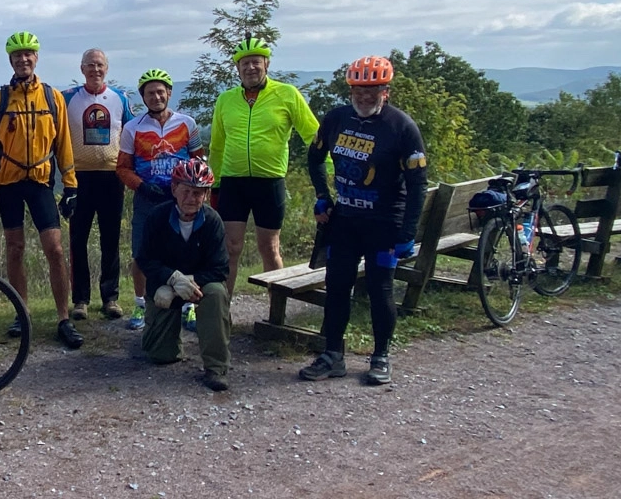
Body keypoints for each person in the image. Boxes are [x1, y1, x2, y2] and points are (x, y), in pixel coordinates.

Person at [298, 55, 427, 385]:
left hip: (384, 224)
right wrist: (323, 196)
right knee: (337, 286)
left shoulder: (402, 127)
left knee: (380, 289)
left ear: (386, 91)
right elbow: (314, 158)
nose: (365, 96)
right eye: (359, 90)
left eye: (373, 90)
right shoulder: (337, 119)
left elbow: (417, 185)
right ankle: (332, 355)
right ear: (350, 91)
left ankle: (381, 356)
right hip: (345, 220)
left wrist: (408, 232)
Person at [0, 31, 83, 349]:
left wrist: (70, 185)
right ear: (10, 60)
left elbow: (63, 143)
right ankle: (21, 313)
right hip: (8, 184)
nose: (23, 59)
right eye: (17, 55)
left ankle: (63, 318)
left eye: (28, 54)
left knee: (55, 250)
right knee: (15, 249)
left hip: (40, 182)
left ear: (36, 58)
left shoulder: (52, 97)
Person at [209, 36, 319, 296]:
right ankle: (221, 310)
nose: (250, 68)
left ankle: (276, 308)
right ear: (237, 68)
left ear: (266, 64)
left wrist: (329, 170)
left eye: (256, 62)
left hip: (270, 181)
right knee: (230, 247)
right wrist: (214, 183)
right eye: (244, 63)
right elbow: (217, 145)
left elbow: (313, 134)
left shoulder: (287, 94)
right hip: (233, 182)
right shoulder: (225, 99)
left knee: (269, 247)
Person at [117, 69, 204, 331]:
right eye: (150, 93)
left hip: (181, 198)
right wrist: (141, 186)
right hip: (147, 198)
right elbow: (122, 168)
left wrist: (192, 190)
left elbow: (199, 161)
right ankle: (141, 303)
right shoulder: (132, 127)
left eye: (160, 92)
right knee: (141, 253)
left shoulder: (187, 123)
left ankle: (188, 306)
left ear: (169, 93)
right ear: (143, 97)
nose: (156, 97)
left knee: (187, 251)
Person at [137, 158, 231, 391]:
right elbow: (145, 259)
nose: (191, 198)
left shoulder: (212, 221)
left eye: (198, 193)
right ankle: (168, 340)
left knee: (217, 293)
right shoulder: (157, 217)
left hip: (200, 286)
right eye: (186, 191)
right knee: (160, 355)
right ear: (174, 189)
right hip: (165, 286)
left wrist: (189, 282)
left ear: (206, 195)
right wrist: (171, 280)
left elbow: (220, 268)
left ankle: (216, 367)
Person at [62, 48, 132, 321]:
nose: (95, 69)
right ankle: (80, 300)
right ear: (82, 69)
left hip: (111, 177)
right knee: (78, 239)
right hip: (78, 178)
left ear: (107, 68)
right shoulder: (68, 98)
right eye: (90, 65)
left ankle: (110, 298)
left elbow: (131, 133)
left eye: (100, 64)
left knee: (110, 238)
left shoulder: (120, 98)